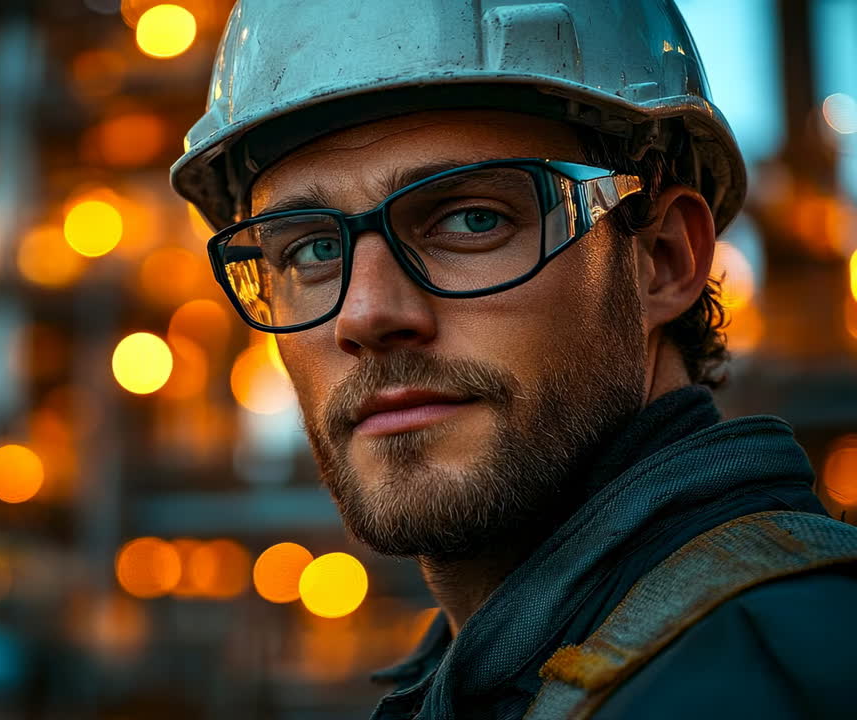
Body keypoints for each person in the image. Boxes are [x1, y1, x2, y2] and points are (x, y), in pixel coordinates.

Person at [170, 1, 857, 718]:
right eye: (310, 250)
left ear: (662, 261)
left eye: (472, 220)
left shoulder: (788, 674)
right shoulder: (533, 681)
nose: (366, 315)